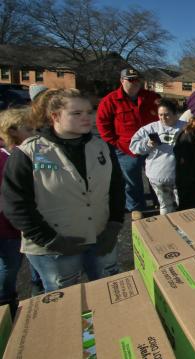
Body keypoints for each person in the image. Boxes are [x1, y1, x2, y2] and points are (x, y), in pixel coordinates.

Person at [2, 89, 125, 292]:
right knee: (66, 302)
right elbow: (16, 205)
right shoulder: (28, 154)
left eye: (89, 111)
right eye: (76, 113)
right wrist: (51, 240)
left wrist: (114, 225)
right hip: (54, 250)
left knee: (107, 292)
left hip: (100, 238)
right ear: (55, 116)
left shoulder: (101, 147)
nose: (87, 117)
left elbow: (117, 188)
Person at [96, 68, 160, 220]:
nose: (135, 83)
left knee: (156, 175)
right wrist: (116, 143)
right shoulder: (110, 100)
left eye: (137, 79)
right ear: (122, 81)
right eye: (130, 79)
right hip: (126, 148)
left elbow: (163, 115)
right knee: (131, 179)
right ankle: (136, 207)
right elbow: (103, 125)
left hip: (152, 145)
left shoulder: (152, 97)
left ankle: (159, 200)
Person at [0, 108, 34, 314]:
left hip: (13, 223)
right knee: (8, 265)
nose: (34, 133)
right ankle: (5, 303)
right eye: (28, 129)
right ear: (13, 131)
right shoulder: (9, 159)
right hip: (8, 226)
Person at [129, 99, 185, 215]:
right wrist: (147, 144)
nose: (163, 118)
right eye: (160, 115)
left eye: (167, 115)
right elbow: (133, 146)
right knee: (165, 205)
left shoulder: (185, 127)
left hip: (180, 176)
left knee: (182, 206)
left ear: (175, 114)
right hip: (158, 176)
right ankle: (167, 228)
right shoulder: (150, 128)